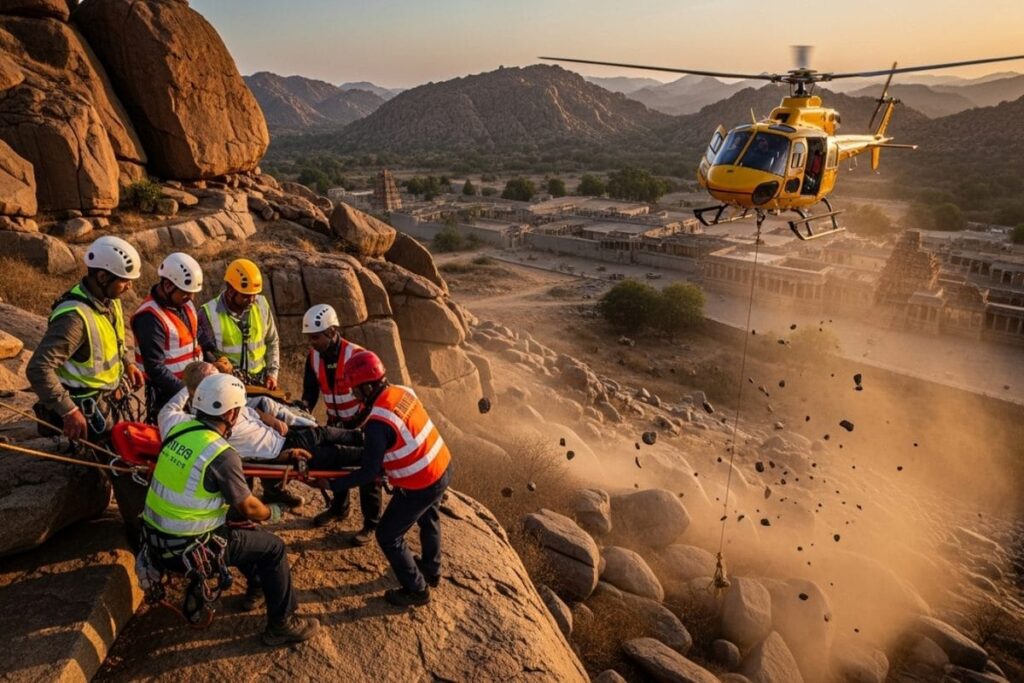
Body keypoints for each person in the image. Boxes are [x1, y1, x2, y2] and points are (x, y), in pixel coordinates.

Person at [140, 373, 319, 646]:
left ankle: (258, 584)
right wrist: (275, 512)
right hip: (190, 546)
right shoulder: (220, 454)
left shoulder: (179, 431)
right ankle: (282, 624)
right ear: (233, 413)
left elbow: (225, 466)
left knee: (241, 527)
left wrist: (283, 457)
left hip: (157, 540)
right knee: (273, 549)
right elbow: (249, 507)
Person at [333, 350, 452, 607]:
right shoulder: (401, 391)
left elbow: (368, 472)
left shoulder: (379, 424)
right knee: (429, 516)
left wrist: (334, 484)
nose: (353, 395)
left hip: (420, 481)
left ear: (367, 386)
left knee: (388, 535)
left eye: (355, 390)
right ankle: (431, 570)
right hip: (441, 464)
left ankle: (417, 590)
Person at [159, 362, 364, 509]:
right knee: (331, 451)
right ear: (199, 391)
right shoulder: (205, 424)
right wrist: (191, 388)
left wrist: (270, 419)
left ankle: (363, 438)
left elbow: (251, 411)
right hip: (281, 451)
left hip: (280, 437)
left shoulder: (228, 406)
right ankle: (372, 453)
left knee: (323, 433)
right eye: (214, 381)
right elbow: (166, 415)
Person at [28, 235, 145, 442]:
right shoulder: (74, 319)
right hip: (87, 409)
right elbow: (39, 368)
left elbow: (113, 340)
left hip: (106, 401)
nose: (130, 287)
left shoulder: (108, 300)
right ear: (102, 277)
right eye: (125, 280)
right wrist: (68, 411)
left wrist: (127, 364)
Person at [299, 304, 382, 539]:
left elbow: (373, 391)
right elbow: (311, 390)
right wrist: (304, 407)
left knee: (369, 472)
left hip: (361, 421)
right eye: (309, 338)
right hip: (335, 421)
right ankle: (339, 508)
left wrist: (367, 423)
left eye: (316, 337)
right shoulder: (314, 356)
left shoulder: (356, 356)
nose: (312, 342)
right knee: (333, 466)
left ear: (332, 331)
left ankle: (371, 523)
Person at [131, 252, 217, 417]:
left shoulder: (186, 305)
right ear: (168, 285)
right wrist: (186, 392)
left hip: (194, 389)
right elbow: (155, 367)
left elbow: (196, 342)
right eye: (186, 292)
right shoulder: (150, 317)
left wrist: (214, 362)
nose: (191, 297)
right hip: (167, 395)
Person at [198, 258, 280, 390]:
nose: (252, 300)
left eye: (254, 295)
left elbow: (272, 341)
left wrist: (272, 374)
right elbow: (204, 353)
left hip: (261, 382)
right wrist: (217, 364)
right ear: (231, 291)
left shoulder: (262, 305)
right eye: (246, 296)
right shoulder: (207, 313)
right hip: (227, 385)